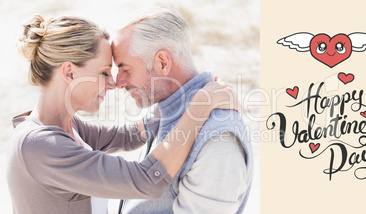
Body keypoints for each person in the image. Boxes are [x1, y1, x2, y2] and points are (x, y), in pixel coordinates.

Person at [6, 14, 239, 214]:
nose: (113, 83)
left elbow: (130, 135)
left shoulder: (68, 128)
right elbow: (146, 180)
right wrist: (199, 107)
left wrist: (185, 93)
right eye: (104, 73)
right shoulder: (39, 146)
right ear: (69, 73)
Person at [112, 8, 254, 214]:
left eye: (125, 69)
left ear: (162, 62)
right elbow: (109, 139)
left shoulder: (219, 136)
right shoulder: (164, 112)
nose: (118, 82)